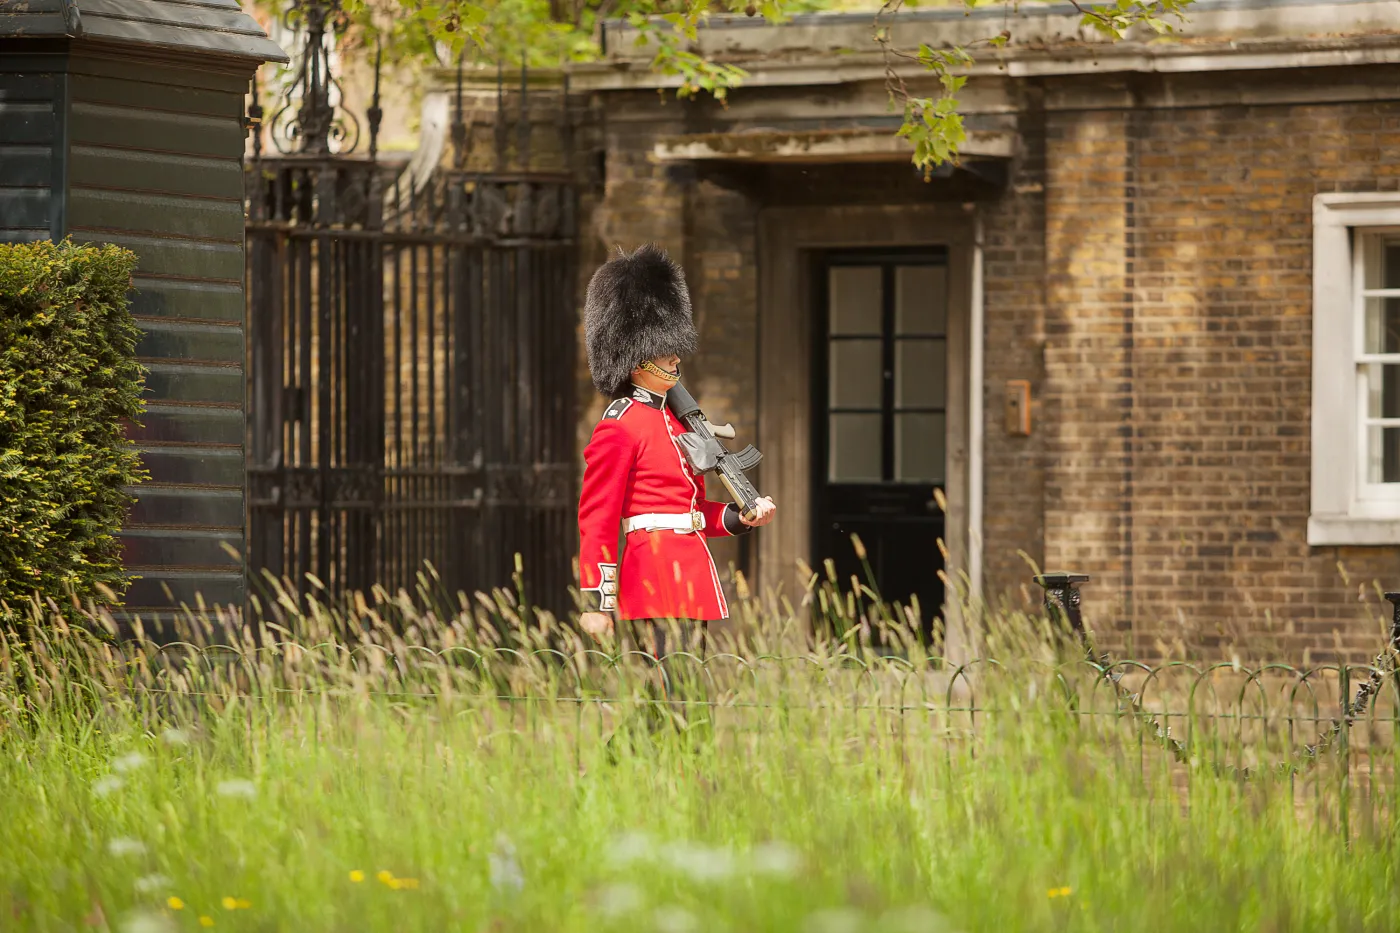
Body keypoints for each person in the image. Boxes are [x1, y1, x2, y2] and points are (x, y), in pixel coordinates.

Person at [575, 244, 775, 732]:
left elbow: (689, 510)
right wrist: (599, 602)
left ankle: (636, 776)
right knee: (676, 698)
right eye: (664, 349)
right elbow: (598, 518)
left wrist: (738, 516)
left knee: (684, 698)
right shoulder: (621, 425)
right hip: (653, 576)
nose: (675, 356)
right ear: (638, 358)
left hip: (691, 574)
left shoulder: (674, 421)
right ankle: (646, 775)